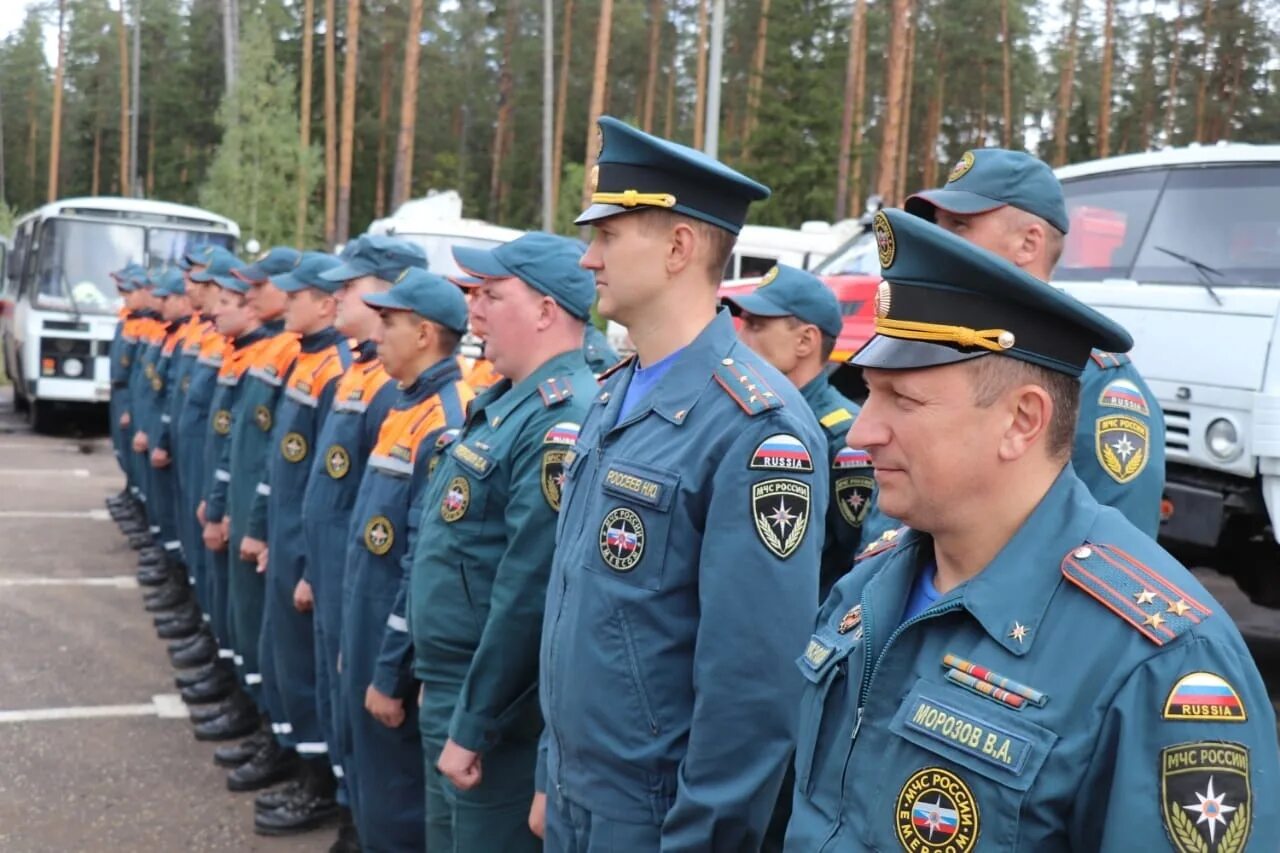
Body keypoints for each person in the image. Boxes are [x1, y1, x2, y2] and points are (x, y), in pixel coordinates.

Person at [785, 207, 1279, 850]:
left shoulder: (1161, 664)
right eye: (869, 393)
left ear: (1022, 421)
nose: (864, 429)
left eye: (903, 401)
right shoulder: (870, 585)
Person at [535, 117, 827, 850]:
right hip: (579, 791)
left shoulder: (757, 428)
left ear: (677, 247)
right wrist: (551, 770)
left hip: (655, 814)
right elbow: (584, 604)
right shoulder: (614, 391)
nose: (587, 256)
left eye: (608, 235)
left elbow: (753, 689)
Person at [410, 232, 597, 851]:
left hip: (497, 715)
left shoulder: (558, 418)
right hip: (457, 685)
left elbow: (528, 593)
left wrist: (475, 719)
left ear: (546, 310)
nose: (474, 310)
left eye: (492, 295)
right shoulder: (508, 401)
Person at [902, 147, 1166, 537]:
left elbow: (1117, 556)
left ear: (1029, 244)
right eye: (937, 225)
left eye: (958, 226)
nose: (937, 241)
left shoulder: (1094, 383)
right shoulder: (941, 346)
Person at [299, 234, 427, 852]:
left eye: (349, 287)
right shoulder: (369, 377)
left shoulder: (398, 391)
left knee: (381, 743)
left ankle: (360, 823)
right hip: (343, 577)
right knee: (341, 706)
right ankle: (351, 814)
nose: (337, 297)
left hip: (376, 600)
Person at [339, 268, 474, 851]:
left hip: (399, 645)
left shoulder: (446, 420)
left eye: (389, 322)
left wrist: (391, 668)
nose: (376, 333)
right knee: (373, 779)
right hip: (368, 626)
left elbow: (422, 563)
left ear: (424, 334)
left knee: (398, 798)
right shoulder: (402, 405)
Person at [247, 252, 353, 836]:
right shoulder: (308, 361)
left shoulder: (336, 367)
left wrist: (307, 559)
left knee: (309, 670)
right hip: (290, 534)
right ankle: (291, 755)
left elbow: (335, 483)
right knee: (283, 655)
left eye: (297, 295)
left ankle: (316, 784)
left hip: (308, 545)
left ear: (327, 302)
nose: (286, 302)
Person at [203, 246, 303, 791]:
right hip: (245, 506)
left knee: (273, 639)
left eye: (255, 288)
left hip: (272, 522)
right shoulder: (269, 349)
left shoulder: (292, 353)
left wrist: (258, 523)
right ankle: (256, 713)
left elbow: (277, 454)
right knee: (246, 622)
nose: (245, 298)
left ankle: (283, 740)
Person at [725, 263, 870, 598]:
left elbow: (856, 559)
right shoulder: (754, 413)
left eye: (756, 326)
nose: (739, 337)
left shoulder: (845, 438)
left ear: (805, 340)